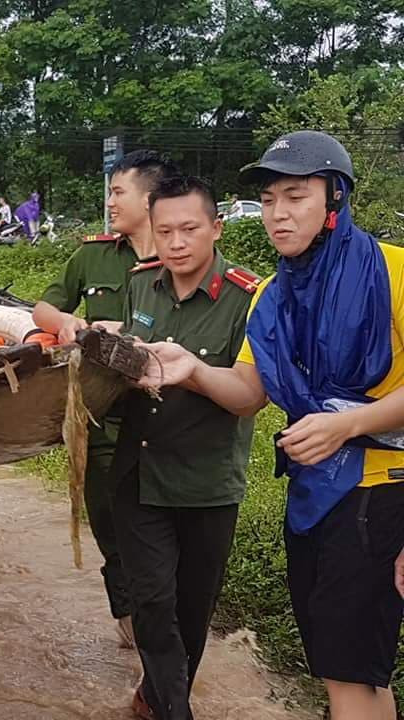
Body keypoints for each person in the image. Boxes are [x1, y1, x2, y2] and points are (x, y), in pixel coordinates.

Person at [146, 132, 404, 720]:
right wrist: (193, 372)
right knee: (348, 664)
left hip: (384, 492)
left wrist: (349, 424)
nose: (278, 214)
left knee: (349, 669)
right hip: (315, 495)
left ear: (334, 198)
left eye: (295, 196)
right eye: (268, 201)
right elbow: (246, 395)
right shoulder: (271, 295)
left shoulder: (394, 272)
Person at [102, 175, 258, 720]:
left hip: (207, 481)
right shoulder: (142, 284)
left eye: (189, 229)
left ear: (216, 228)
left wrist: (191, 372)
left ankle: (155, 695)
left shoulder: (249, 297)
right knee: (152, 600)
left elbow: (248, 396)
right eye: (164, 230)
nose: (176, 242)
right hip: (139, 473)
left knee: (192, 612)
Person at [33, 149, 177, 649]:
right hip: (103, 424)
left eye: (118, 192)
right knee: (114, 534)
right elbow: (44, 308)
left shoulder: (182, 255)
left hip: (169, 428)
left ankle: (164, 634)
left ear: (150, 197)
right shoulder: (93, 255)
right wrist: (68, 324)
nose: (110, 202)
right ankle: (135, 634)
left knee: (169, 543)